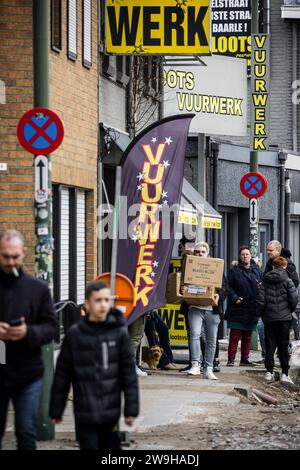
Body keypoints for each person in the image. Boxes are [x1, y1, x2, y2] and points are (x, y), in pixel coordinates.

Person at [49, 280, 139, 451]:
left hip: (110, 410)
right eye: (98, 300)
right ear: (87, 304)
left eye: (106, 300)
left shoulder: (118, 333)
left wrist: (131, 409)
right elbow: (62, 375)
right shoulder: (75, 335)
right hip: (84, 411)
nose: (103, 305)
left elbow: (128, 374)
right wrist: (56, 409)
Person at [0, 230, 57, 450]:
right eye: (5, 256)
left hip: (27, 373)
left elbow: (51, 328)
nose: (10, 262)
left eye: (15, 256)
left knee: (26, 430)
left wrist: (27, 333)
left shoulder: (38, 289)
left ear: (24, 253)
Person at [185, 242, 226, 380]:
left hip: (212, 309)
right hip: (195, 307)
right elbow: (181, 284)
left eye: (202, 252)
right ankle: (195, 365)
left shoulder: (215, 267)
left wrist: (220, 295)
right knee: (194, 334)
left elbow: (225, 288)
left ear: (207, 253)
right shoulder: (189, 266)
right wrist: (182, 289)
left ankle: (208, 368)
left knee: (211, 340)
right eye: (197, 252)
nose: (200, 254)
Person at [257, 256, 299, 384]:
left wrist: (263, 314)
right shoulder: (288, 281)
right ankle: (285, 373)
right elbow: (294, 299)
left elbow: (260, 301)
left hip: (269, 318)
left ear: (273, 266)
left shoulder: (265, 281)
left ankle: (269, 372)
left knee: (270, 344)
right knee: (283, 345)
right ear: (285, 266)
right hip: (284, 318)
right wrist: (288, 311)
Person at [225, 246, 262, 367]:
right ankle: (231, 359)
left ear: (251, 255)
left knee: (248, 335)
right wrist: (235, 298)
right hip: (238, 307)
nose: (245, 256)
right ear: (239, 256)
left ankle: (244, 359)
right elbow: (228, 287)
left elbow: (262, 285)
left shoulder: (257, 270)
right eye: (242, 254)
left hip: (252, 307)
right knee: (235, 335)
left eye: (247, 254)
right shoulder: (234, 270)